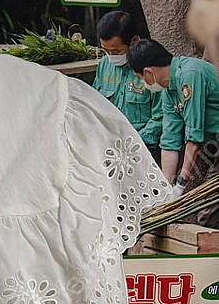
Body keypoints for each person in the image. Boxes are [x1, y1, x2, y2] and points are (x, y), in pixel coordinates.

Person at [127, 38, 219, 226]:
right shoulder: (169, 90)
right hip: (215, 146)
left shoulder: (190, 75)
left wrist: (180, 185)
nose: (142, 83)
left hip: (212, 144)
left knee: (207, 216)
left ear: (148, 72)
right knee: (208, 216)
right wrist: (166, 189)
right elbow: (170, 140)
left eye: (140, 78)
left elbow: (194, 139)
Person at [93, 11, 162, 158]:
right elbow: (94, 105)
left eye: (116, 51)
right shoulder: (104, 64)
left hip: (143, 148)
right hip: (107, 146)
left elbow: (161, 116)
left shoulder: (152, 68)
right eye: (106, 51)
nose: (111, 56)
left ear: (134, 41)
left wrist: (134, 143)